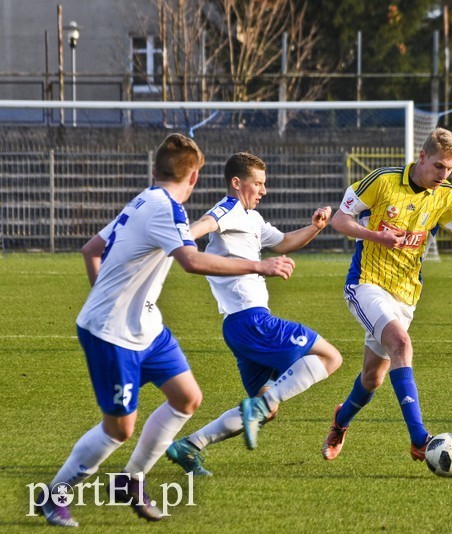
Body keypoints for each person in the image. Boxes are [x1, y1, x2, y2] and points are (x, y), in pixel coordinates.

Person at [36, 134, 296, 528]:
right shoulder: (165, 210)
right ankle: (54, 497)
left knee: (187, 397)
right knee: (119, 429)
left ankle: (130, 479)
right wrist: (260, 266)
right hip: (111, 332)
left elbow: (91, 248)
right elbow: (192, 262)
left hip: (146, 324)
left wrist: (117, 295)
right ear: (192, 177)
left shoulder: (143, 199)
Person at [305, 127, 452, 464]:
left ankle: (340, 421)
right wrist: (377, 236)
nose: (443, 176)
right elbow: (341, 221)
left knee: (373, 378)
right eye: (438, 167)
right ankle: (420, 439)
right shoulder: (383, 180)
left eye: (449, 170)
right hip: (366, 283)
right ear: (422, 157)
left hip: (406, 294)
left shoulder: (445, 194)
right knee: (401, 344)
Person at [165, 152, 342, 474]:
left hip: (240, 326)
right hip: (251, 321)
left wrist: (315, 227)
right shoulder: (229, 209)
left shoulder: (253, 219)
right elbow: (200, 227)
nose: (263, 190)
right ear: (237, 183)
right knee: (331, 358)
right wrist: (179, 237)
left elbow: (285, 242)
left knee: (267, 406)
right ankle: (257, 407)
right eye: (257, 183)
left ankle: (190, 446)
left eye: (264, 184)